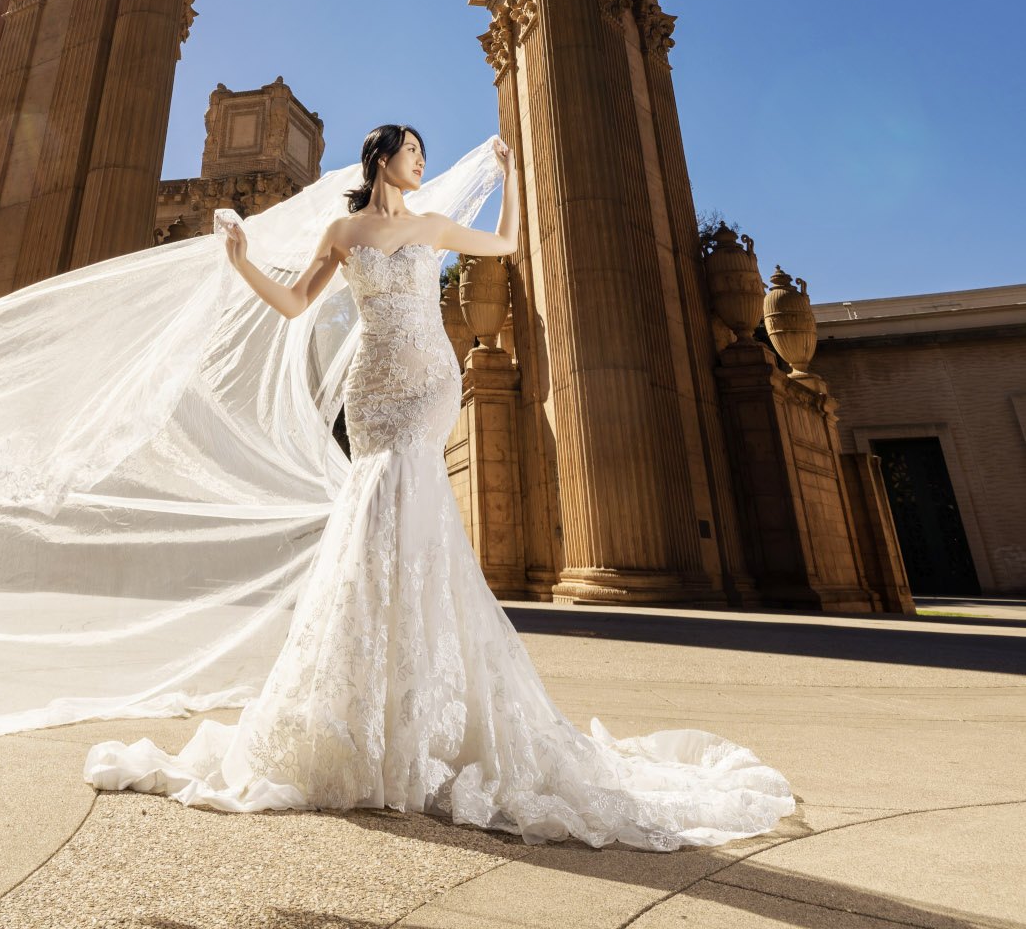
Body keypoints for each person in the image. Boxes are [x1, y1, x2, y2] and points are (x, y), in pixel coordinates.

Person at [83, 125, 795, 850]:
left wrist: (512, 177)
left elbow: (509, 244)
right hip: (373, 389)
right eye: (412, 152)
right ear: (381, 160)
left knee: (418, 521)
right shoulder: (342, 229)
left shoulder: (436, 226)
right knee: (371, 525)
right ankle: (366, 714)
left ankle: (420, 716)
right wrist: (240, 263)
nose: (422, 161)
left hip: (427, 385)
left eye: (424, 154)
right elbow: (297, 304)